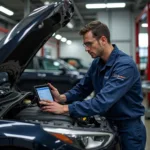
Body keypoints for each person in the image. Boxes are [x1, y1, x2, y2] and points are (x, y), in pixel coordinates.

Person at [39, 20, 146, 150]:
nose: (86, 49)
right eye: (85, 45)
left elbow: (102, 102)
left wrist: (64, 108)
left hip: (129, 129)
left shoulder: (124, 65)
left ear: (103, 40)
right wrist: (62, 98)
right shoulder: (97, 63)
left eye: (89, 44)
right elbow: (82, 88)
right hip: (107, 124)